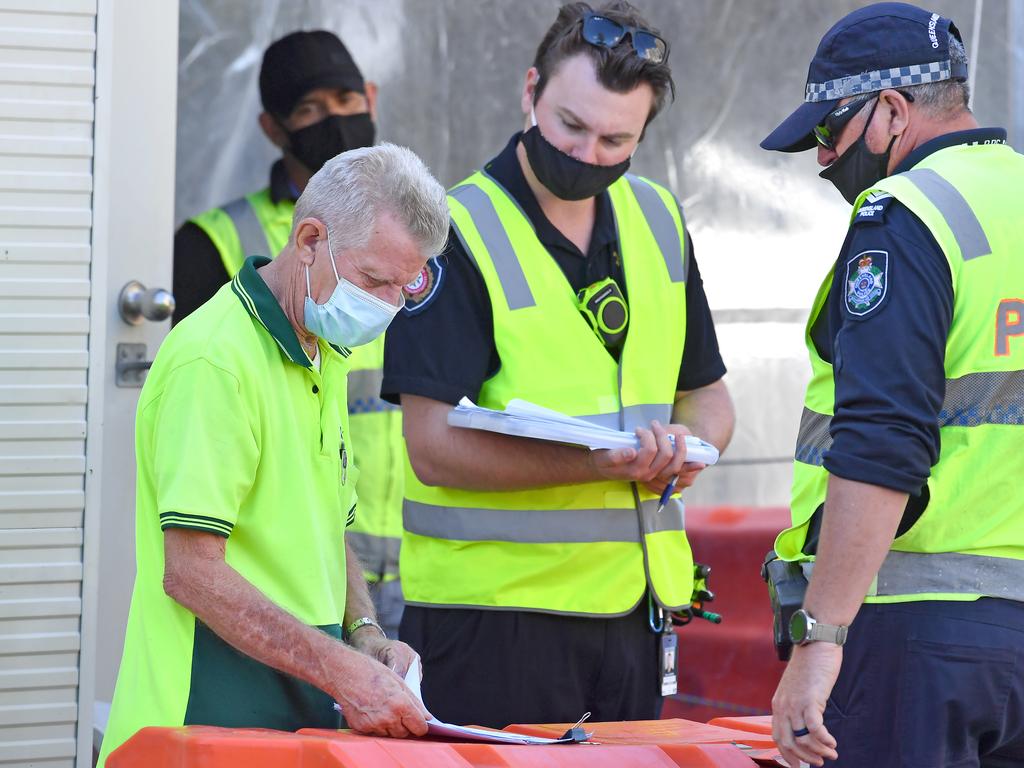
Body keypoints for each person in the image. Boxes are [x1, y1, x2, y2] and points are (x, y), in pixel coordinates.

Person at [382, 0, 734, 728]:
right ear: (530, 90)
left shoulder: (659, 219)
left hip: (634, 612)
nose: (587, 154)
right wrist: (606, 466)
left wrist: (685, 450)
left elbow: (710, 403)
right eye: (571, 125)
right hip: (492, 620)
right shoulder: (453, 231)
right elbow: (432, 449)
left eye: (616, 139)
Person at [98, 144, 450, 766]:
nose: (389, 306)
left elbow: (326, 533)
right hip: (198, 721)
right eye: (374, 280)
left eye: (407, 286)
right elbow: (192, 572)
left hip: (286, 722)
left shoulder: (323, 348)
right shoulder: (214, 360)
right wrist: (340, 669)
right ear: (310, 240)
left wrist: (364, 634)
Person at [760, 3, 1024, 766]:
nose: (821, 158)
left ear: (893, 111)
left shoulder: (905, 217)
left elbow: (883, 442)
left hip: (920, 638)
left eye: (828, 132)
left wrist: (821, 636)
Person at [174, 29, 406, 638]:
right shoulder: (217, 242)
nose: (333, 120)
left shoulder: (409, 236)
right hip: (282, 572)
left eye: (345, 99)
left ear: (372, 97)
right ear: (272, 129)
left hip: (418, 559)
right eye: (308, 109)